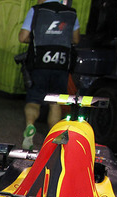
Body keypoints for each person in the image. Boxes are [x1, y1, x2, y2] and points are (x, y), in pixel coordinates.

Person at [18, 0, 80, 149]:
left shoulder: (36, 10)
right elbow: (76, 39)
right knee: (55, 102)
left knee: (34, 100)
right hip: (61, 64)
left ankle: (29, 128)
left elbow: (22, 37)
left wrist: (34, 40)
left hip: (40, 62)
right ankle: (54, 140)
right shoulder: (71, 13)